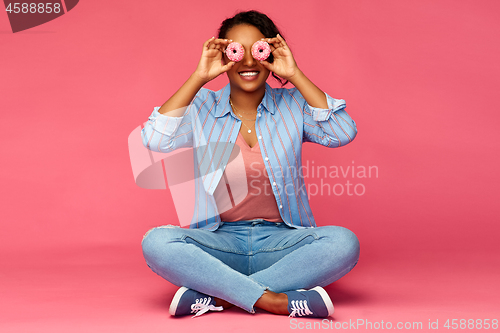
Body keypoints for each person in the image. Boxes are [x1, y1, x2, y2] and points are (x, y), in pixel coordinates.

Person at [140, 10, 359, 318]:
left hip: (281, 243)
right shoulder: (202, 106)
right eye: (236, 51)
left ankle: (220, 296)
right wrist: (198, 77)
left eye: (258, 50)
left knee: (343, 243)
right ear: (225, 56)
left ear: (270, 53)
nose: (247, 62)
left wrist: (295, 74)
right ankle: (275, 300)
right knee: (157, 242)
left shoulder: (294, 104)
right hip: (219, 243)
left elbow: (342, 131)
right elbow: (153, 139)